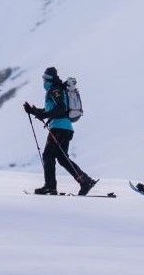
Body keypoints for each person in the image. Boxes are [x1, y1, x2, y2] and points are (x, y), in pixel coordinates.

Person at [24, 67, 97, 195]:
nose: (43, 81)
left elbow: (61, 108)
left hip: (59, 128)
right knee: (62, 158)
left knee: (48, 155)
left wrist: (44, 115)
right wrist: (33, 111)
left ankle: (50, 186)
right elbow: (51, 110)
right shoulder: (58, 89)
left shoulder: (55, 89)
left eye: (44, 78)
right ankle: (85, 181)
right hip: (66, 128)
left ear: (49, 79)